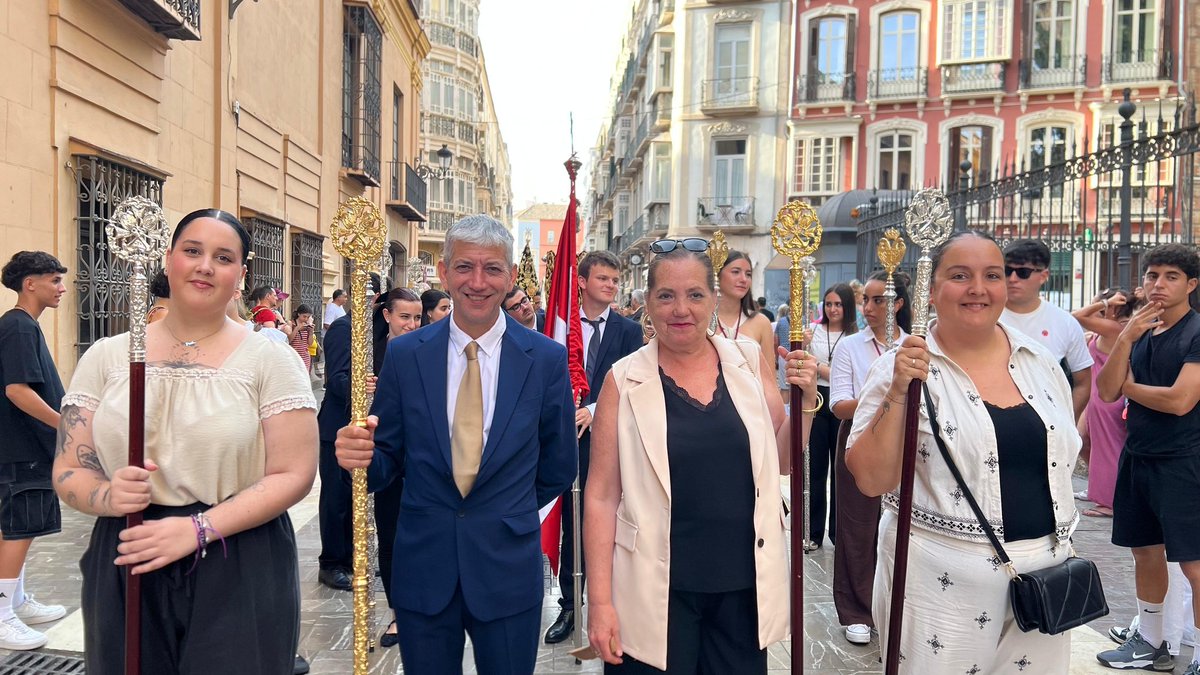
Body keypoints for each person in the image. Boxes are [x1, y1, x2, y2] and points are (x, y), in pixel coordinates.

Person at [54, 209, 318, 675]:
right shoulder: (109, 355)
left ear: (241, 274)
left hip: (237, 552)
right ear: (168, 258)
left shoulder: (269, 360)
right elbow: (69, 469)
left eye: (223, 257)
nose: (205, 266)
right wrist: (107, 494)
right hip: (130, 544)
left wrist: (196, 530)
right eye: (192, 251)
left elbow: (293, 474)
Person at [334, 214, 576, 674]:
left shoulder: (545, 359)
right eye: (464, 267)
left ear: (509, 277)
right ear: (444, 273)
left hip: (507, 568)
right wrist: (358, 457)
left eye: (492, 269)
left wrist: (505, 510)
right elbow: (386, 460)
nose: (478, 282)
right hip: (425, 567)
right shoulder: (406, 356)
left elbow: (558, 465)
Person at [846, 231, 1080, 674]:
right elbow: (871, 478)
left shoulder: (1041, 362)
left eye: (992, 275)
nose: (978, 288)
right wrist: (898, 390)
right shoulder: (902, 368)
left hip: (1046, 579)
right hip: (939, 587)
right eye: (960, 276)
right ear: (931, 291)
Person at [583, 236, 817, 672]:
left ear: (714, 298)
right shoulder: (624, 379)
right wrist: (599, 602)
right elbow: (599, 495)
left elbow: (782, 461)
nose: (681, 309)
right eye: (666, 296)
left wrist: (804, 407)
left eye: (694, 295)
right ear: (647, 303)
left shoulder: (747, 361)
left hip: (742, 590)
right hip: (654, 590)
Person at [1095, 243, 1200, 673]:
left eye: (1170, 277)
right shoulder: (1139, 333)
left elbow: (1179, 400)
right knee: (1144, 552)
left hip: (1184, 460)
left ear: (1191, 285)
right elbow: (1105, 390)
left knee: (1193, 563)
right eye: (1152, 275)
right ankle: (1151, 642)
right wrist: (1124, 338)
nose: (1158, 284)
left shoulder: (1195, 332)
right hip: (1137, 456)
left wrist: (1130, 389)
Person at [544, 251, 643, 645]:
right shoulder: (556, 324)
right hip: (565, 439)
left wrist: (593, 409)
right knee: (570, 520)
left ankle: (610, 600)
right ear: (581, 282)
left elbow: (633, 378)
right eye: (603, 278)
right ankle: (570, 604)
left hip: (608, 438)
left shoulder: (628, 330)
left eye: (615, 280)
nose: (611, 285)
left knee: (607, 520)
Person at [829, 270, 911, 646]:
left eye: (878, 300)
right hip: (860, 435)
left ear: (898, 303)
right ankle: (856, 610)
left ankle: (895, 604)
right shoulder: (850, 346)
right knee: (857, 526)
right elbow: (839, 405)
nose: (868, 307)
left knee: (899, 524)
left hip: (908, 440)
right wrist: (885, 398)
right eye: (865, 300)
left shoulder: (914, 345)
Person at [0, 251, 69, 650]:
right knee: (18, 529)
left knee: (20, 528)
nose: (61, 289)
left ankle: (18, 601)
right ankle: (4, 613)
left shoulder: (24, 326)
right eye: (54, 281)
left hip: (26, 446)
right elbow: (16, 389)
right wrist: (64, 424)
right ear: (31, 283)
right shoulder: (19, 327)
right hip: (21, 446)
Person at [315, 273, 384, 594]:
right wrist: (368, 388)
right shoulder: (344, 328)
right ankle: (331, 564)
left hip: (360, 427)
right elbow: (338, 379)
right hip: (337, 426)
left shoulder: (370, 329)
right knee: (337, 500)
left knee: (356, 499)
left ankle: (353, 558)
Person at [370, 287, 423, 648]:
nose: (411, 324)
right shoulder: (367, 350)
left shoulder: (427, 350)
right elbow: (339, 384)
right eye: (405, 316)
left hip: (418, 461)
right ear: (388, 315)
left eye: (417, 317)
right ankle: (396, 614)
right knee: (389, 537)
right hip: (383, 457)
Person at [1000, 240, 1092, 420]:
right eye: (1007, 271)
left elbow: (1083, 383)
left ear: (1043, 276)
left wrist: (1066, 424)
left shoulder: (1065, 322)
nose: (1012, 279)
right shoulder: (985, 316)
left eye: (1023, 273)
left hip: (1047, 424)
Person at [1071, 288, 1139, 518]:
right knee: (1088, 442)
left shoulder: (1114, 328)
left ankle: (1110, 502)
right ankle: (1102, 490)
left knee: (1109, 449)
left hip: (1107, 398)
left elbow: (1076, 317)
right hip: (1099, 397)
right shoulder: (1108, 330)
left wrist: (1103, 302)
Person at [809, 283, 859, 549]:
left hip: (843, 401)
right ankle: (813, 532)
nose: (833, 309)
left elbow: (851, 374)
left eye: (838, 304)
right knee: (816, 469)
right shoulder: (813, 332)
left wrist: (822, 368)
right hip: (817, 401)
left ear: (847, 306)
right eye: (828, 304)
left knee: (842, 471)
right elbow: (805, 363)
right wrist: (817, 365)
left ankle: (839, 533)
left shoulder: (855, 337)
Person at [716, 251, 776, 378]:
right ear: (718, 275)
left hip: (753, 396)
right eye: (736, 272)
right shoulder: (703, 320)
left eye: (748, 274)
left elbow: (769, 377)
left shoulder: (761, 322)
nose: (743, 279)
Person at [289, 304, 316, 372]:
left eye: (308, 317)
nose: (306, 319)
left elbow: (310, 343)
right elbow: (289, 340)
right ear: (298, 314)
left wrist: (311, 332)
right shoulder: (291, 323)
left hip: (305, 357)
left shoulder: (307, 325)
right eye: (304, 316)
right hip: (293, 356)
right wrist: (297, 328)